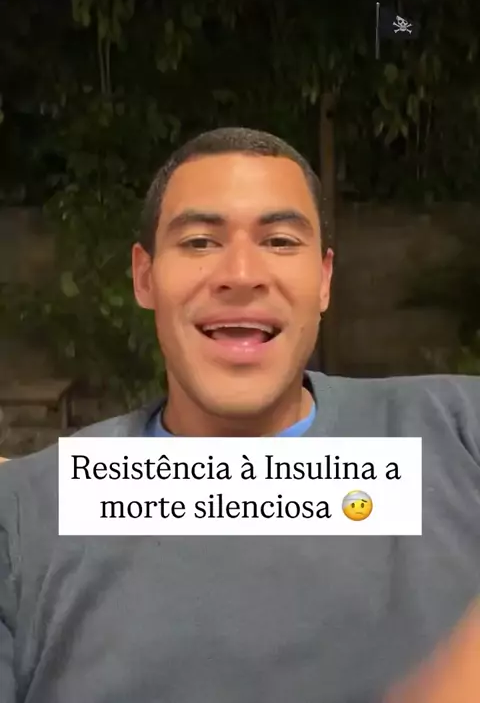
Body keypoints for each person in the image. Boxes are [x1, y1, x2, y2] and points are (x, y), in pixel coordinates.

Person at [0, 126, 479, 703]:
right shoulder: (24, 516)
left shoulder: (459, 431)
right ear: (145, 277)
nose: (242, 274)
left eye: (280, 241)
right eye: (201, 242)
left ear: (324, 280)